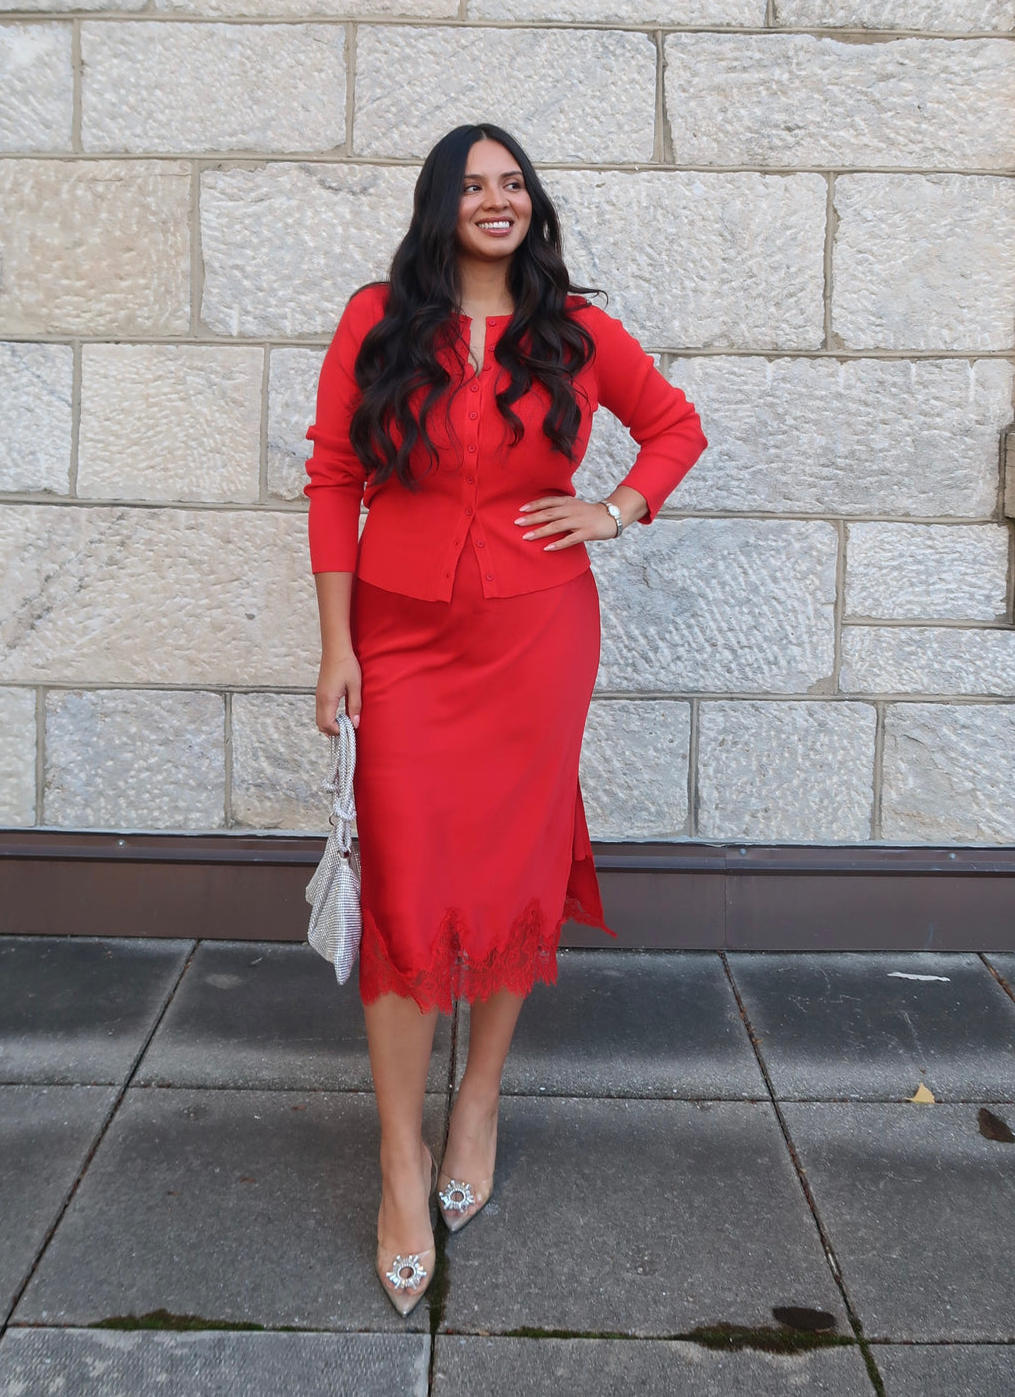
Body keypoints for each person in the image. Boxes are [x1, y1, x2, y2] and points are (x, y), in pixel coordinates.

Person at [304, 122, 706, 1316]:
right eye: (474, 185)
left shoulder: (574, 332)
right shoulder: (378, 317)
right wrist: (334, 645)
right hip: (400, 636)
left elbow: (676, 425)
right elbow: (333, 476)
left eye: (513, 183)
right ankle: (396, 1161)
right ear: (441, 206)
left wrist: (619, 508)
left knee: (514, 858)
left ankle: (476, 1100)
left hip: (536, 640)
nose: (497, 199)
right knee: (405, 882)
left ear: (533, 205)